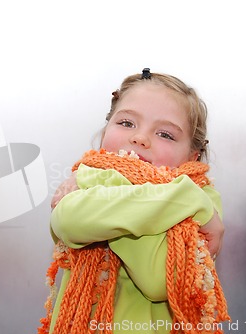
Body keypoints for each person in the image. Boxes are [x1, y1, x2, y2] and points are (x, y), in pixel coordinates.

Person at [39, 69, 228, 334]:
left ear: (192, 156)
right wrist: (180, 197)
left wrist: (111, 192)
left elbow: (159, 279)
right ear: (106, 129)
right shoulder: (192, 200)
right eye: (127, 123)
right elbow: (69, 222)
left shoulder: (204, 196)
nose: (140, 138)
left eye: (165, 134)